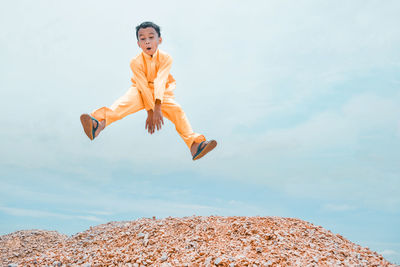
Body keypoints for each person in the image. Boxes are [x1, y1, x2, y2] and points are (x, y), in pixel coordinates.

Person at [80, 21, 217, 160]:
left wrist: (157, 107)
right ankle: (97, 125)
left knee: (177, 110)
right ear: (138, 44)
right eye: (142, 39)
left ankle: (194, 145)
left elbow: (160, 81)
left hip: (162, 92)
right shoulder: (135, 62)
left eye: (151, 37)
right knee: (122, 105)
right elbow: (143, 86)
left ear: (160, 40)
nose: (147, 42)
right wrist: (150, 111)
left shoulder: (166, 58)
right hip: (139, 90)